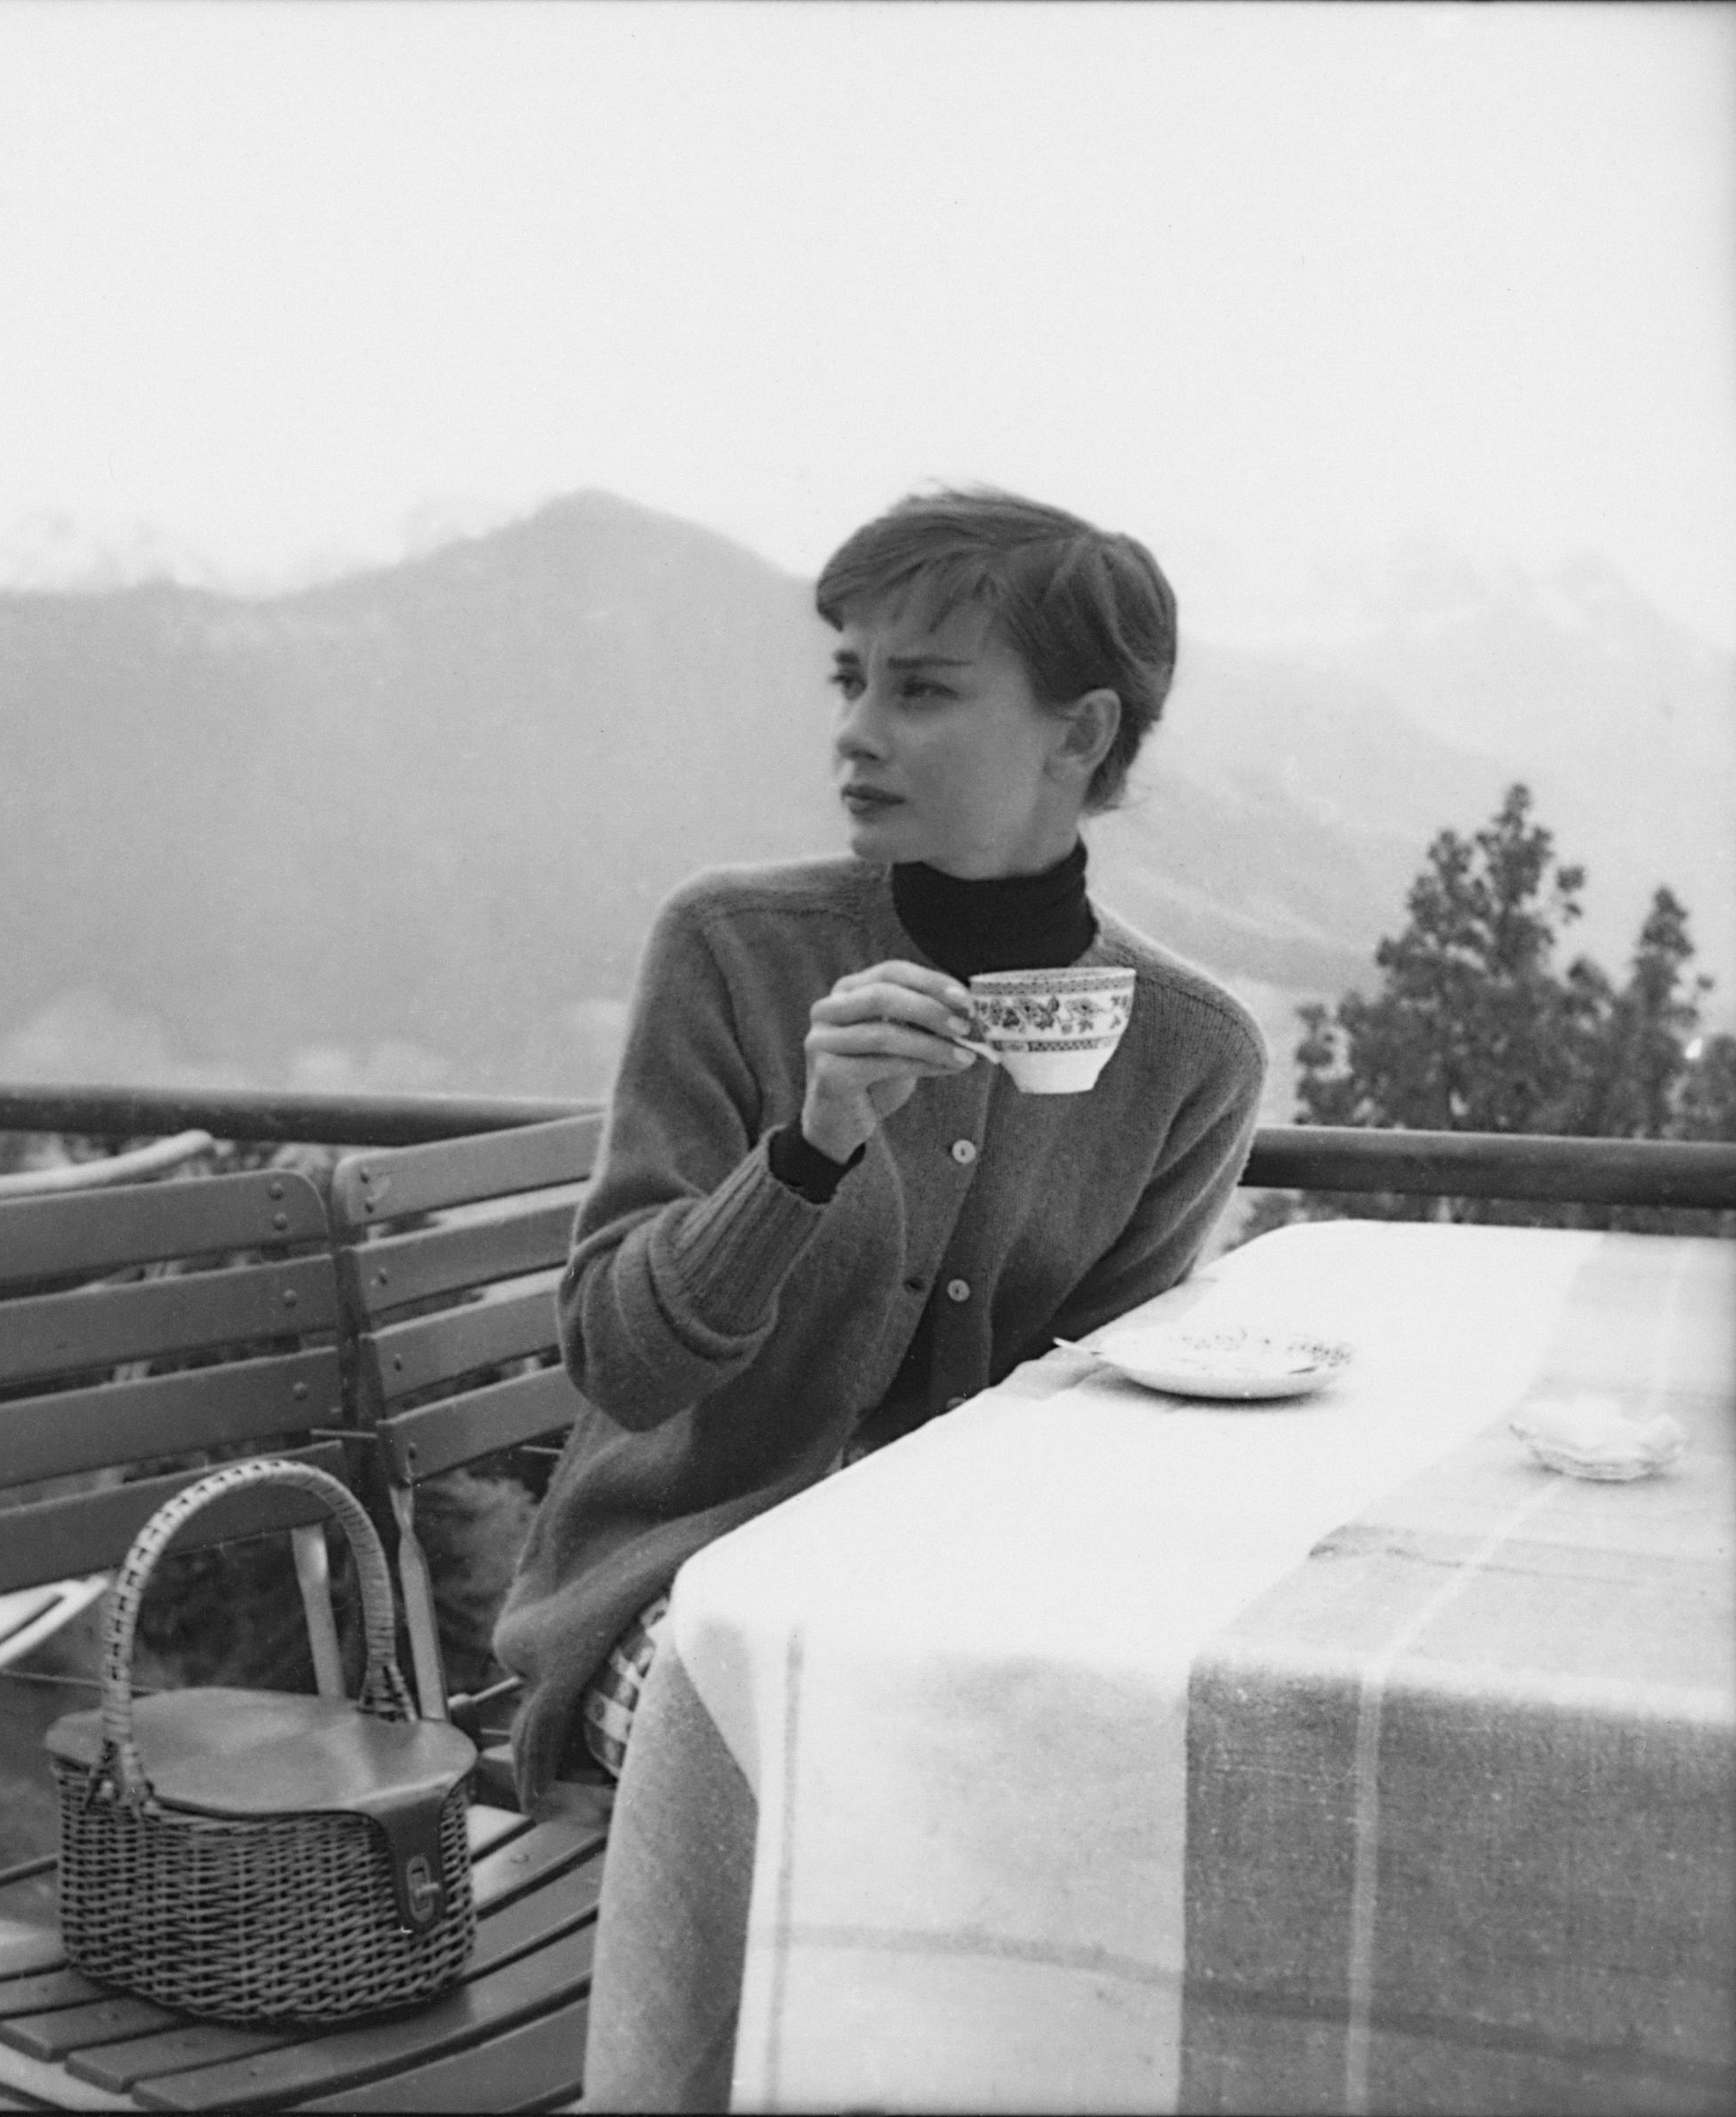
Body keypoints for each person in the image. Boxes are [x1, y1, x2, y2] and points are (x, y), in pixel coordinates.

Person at [492, 488, 1267, 1808]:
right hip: (681, 1591)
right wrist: (809, 1149)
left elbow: (1099, 1412)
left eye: (918, 692)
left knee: (1149, 1776)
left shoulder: (1190, 1053)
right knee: (882, 1788)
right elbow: (622, 1364)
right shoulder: (732, 949)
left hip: (953, 1611)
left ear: (1076, 733)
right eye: (851, 681)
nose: (853, 732)